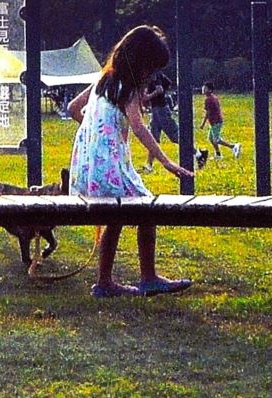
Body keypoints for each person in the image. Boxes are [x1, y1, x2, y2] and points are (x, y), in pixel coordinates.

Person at [68, 24, 195, 298]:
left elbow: (73, 109)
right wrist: (166, 161)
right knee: (146, 209)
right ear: (140, 61)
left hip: (92, 166)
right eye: (151, 68)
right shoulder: (128, 87)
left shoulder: (104, 79)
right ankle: (147, 277)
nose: (151, 75)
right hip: (112, 165)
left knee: (116, 217)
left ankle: (105, 283)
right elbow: (138, 127)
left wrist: (95, 133)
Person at [141, 71, 208, 173]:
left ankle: (199, 153)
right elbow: (168, 83)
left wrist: (148, 97)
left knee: (175, 136)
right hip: (157, 110)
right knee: (153, 138)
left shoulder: (154, 73)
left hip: (161, 110)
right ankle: (149, 165)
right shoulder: (158, 73)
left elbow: (160, 89)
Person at [199, 81, 242, 160]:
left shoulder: (208, 100)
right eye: (203, 87)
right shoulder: (213, 97)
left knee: (216, 139)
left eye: (205, 88)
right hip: (216, 121)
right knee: (211, 138)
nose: (203, 89)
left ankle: (234, 146)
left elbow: (207, 113)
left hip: (216, 122)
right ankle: (218, 154)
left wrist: (203, 124)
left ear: (210, 90)